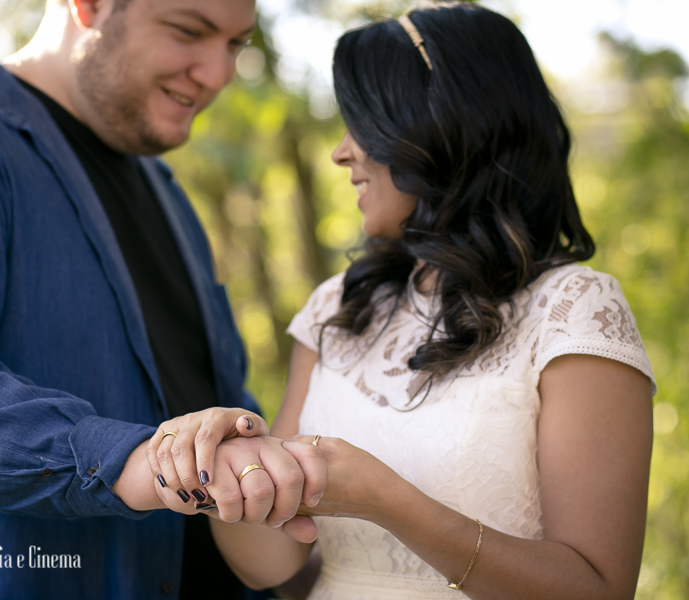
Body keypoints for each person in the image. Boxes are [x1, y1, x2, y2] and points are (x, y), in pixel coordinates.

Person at [0, 0, 325, 598]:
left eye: (235, 44)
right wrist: (138, 462)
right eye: (188, 31)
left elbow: (211, 402)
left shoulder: (167, 195)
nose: (218, 73)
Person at [148, 3, 655, 599]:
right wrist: (224, 471)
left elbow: (598, 589)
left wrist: (386, 500)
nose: (341, 153)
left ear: (437, 126)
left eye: (360, 125)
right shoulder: (337, 307)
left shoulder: (576, 309)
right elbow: (276, 566)